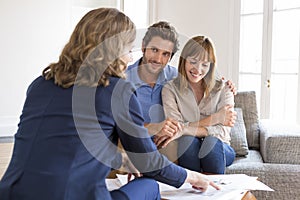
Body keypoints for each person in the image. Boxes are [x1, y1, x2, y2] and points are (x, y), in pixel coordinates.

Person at [0, 8, 219, 200]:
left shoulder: (40, 84)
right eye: (127, 49)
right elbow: (149, 163)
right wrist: (193, 176)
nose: (129, 58)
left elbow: (67, 144)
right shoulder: (117, 90)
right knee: (149, 186)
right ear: (112, 50)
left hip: (10, 192)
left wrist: (126, 162)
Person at [126, 21, 236, 161]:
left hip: (169, 141)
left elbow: (202, 76)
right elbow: (119, 124)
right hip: (135, 140)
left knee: (186, 146)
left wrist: (228, 85)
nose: (158, 59)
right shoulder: (121, 80)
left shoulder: (175, 78)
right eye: (154, 50)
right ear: (143, 46)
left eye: (166, 54)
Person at [160, 36, 237, 174]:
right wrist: (215, 118)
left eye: (205, 65)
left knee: (210, 142)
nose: (198, 69)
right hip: (188, 146)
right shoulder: (170, 89)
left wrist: (185, 128)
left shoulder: (224, 88)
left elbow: (222, 132)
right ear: (184, 60)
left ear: (211, 66)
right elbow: (176, 127)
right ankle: (190, 192)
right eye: (193, 62)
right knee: (187, 141)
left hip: (219, 147)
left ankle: (215, 194)